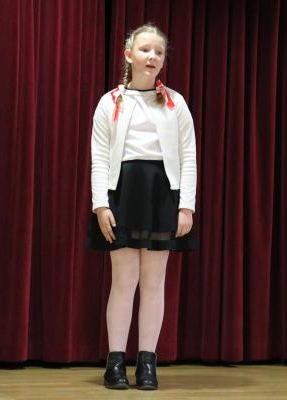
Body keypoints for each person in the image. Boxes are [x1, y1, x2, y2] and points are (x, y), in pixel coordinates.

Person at [86, 23, 198, 390]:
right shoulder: (109, 102)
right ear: (128, 55)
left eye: (159, 52)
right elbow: (99, 157)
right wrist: (101, 204)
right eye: (146, 50)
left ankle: (148, 363)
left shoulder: (175, 103)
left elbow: (188, 156)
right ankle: (115, 362)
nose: (152, 57)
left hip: (162, 195)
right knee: (124, 280)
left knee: (154, 282)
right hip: (123, 193)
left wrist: (186, 206)